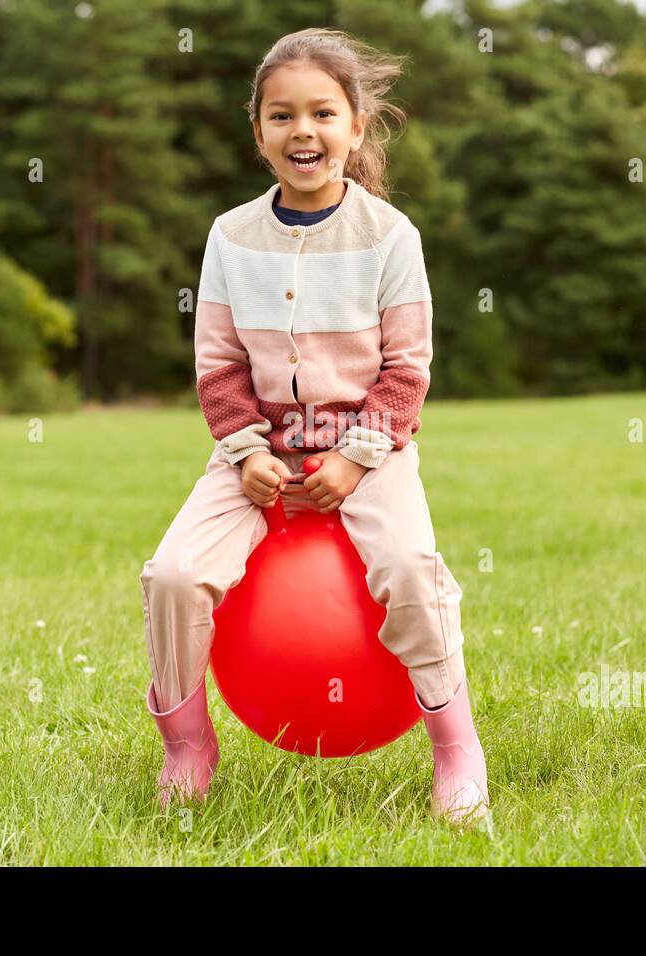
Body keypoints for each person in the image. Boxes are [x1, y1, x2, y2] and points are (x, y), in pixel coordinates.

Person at [140, 27, 489, 825]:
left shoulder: (390, 238)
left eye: (324, 113)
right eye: (282, 115)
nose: (305, 131)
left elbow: (406, 370)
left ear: (357, 127)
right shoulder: (230, 237)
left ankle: (455, 745)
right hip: (257, 453)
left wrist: (358, 458)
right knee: (171, 574)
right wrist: (246, 453)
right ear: (258, 131)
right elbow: (220, 364)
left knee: (408, 565)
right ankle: (187, 743)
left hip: (371, 452)